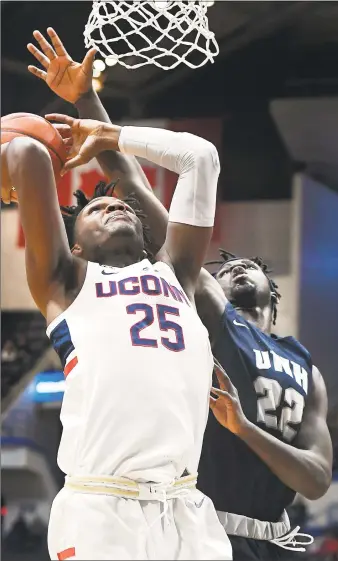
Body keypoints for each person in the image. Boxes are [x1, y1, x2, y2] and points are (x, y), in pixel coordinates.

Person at [27, 28, 333, 561]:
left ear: (271, 296)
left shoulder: (304, 365)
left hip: (201, 514)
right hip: (122, 500)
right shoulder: (190, 292)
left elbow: (317, 477)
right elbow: (136, 185)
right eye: (226, 263)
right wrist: (95, 116)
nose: (234, 266)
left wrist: (106, 130)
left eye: (245, 266)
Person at [2, 59, 232, 561]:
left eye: (120, 205)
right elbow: (24, 151)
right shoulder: (66, 283)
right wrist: (11, 156)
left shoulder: (179, 275)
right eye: (95, 210)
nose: (115, 206)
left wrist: (109, 132)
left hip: (186, 507)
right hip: (100, 508)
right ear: (75, 246)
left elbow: (202, 159)